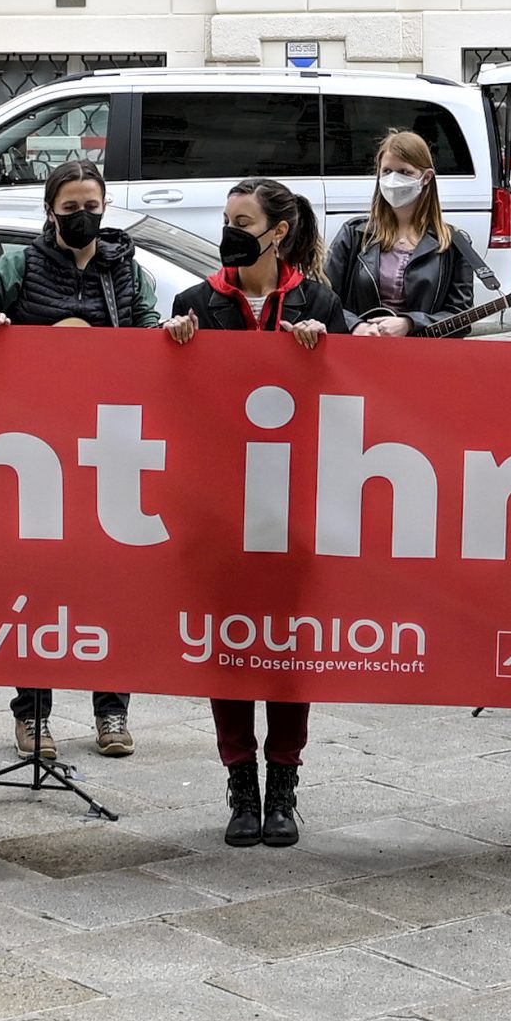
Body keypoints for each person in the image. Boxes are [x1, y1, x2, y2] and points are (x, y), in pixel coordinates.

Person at [164, 178, 351, 848]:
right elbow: (171, 403)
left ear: (276, 233)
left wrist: (324, 346)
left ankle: (283, 783)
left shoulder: (317, 300)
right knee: (232, 647)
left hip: (296, 506)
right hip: (220, 512)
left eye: (243, 221)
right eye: (226, 220)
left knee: (289, 649)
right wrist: (174, 349)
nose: (230, 231)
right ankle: (240, 780)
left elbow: (363, 387)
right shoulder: (194, 303)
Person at [0, 158, 156, 761]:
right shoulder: (18, 265)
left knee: (106, 578)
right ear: (50, 210)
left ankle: (112, 710)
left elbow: (148, 336)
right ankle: (32, 714)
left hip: (107, 447)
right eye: (70, 208)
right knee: (31, 580)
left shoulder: (127, 271)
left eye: (91, 207)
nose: (82, 217)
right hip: (31, 448)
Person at [327, 131, 489, 337]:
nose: (393, 179)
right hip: (360, 353)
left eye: (404, 172)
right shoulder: (354, 234)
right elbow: (325, 300)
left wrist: (410, 323)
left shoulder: (454, 243)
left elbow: (461, 318)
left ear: (426, 177)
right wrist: (356, 326)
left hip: (421, 358)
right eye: (386, 171)